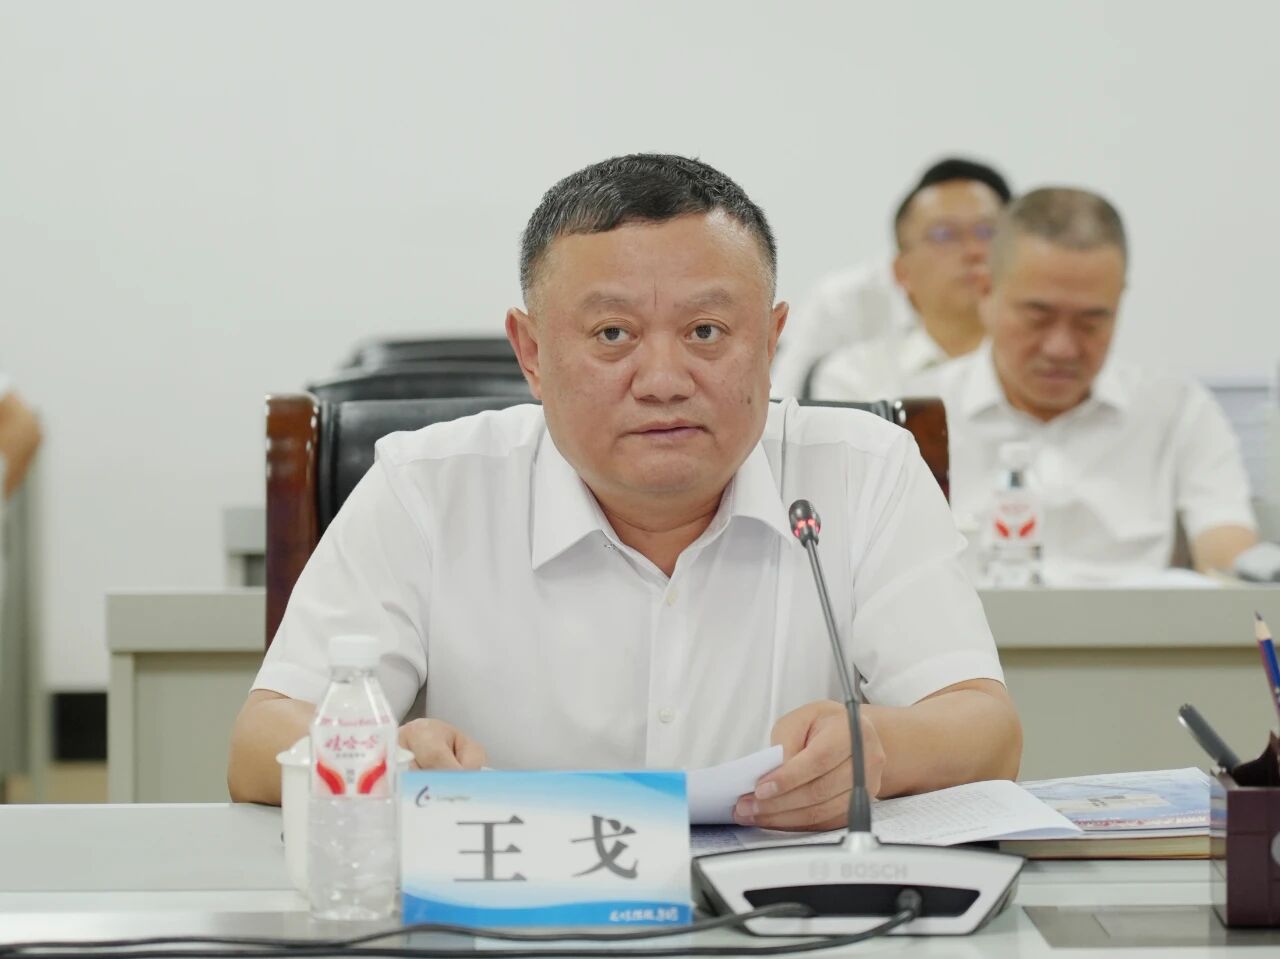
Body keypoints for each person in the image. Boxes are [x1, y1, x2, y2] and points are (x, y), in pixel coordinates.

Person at [229, 154, 1021, 830]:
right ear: (531, 353)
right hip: (507, 917)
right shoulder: (427, 487)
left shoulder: (862, 469)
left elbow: (984, 727)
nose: (664, 380)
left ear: (772, 342)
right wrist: (386, 755)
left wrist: (880, 748)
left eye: (706, 331)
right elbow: (260, 742)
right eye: (613, 335)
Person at [909, 187, 1258, 583]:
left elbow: (1233, 568)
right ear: (986, 292)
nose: (1062, 348)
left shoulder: (1176, 410)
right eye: (1038, 317)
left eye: (1091, 322)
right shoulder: (914, 416)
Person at [775, 157, 1011, 399]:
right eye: (944, 234)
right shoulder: (853, 376)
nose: (974, 251)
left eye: (987, 231)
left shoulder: (1033, 365)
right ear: (902, 272)